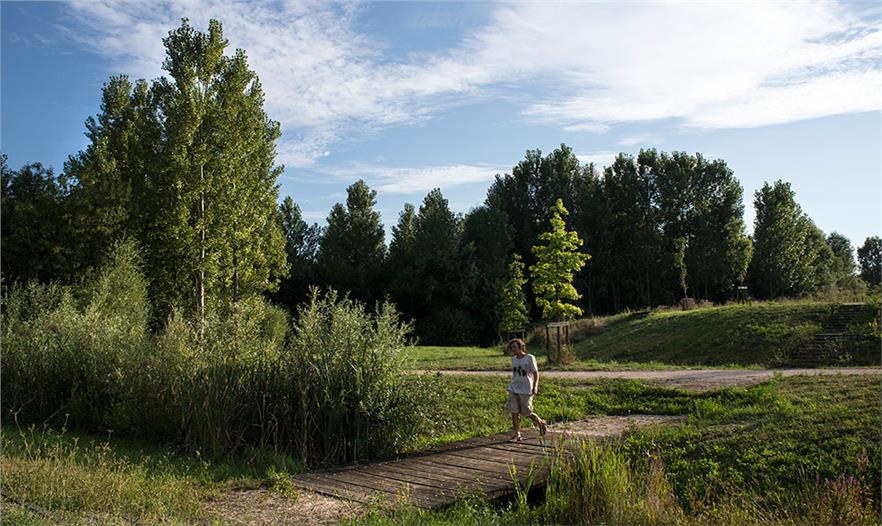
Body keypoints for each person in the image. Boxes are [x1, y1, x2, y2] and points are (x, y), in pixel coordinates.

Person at [506, 338, 548, 441]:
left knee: (527, 412)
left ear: (520, 347)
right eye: (511, 347)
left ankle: (540, 423)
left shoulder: (530, 358)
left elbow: (535, 373)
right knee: (514, 412)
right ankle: (517, 434)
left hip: (526, 389)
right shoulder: (514, 359)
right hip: (513, 388)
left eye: (514, 347)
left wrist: (535, 386)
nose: (513, 349)